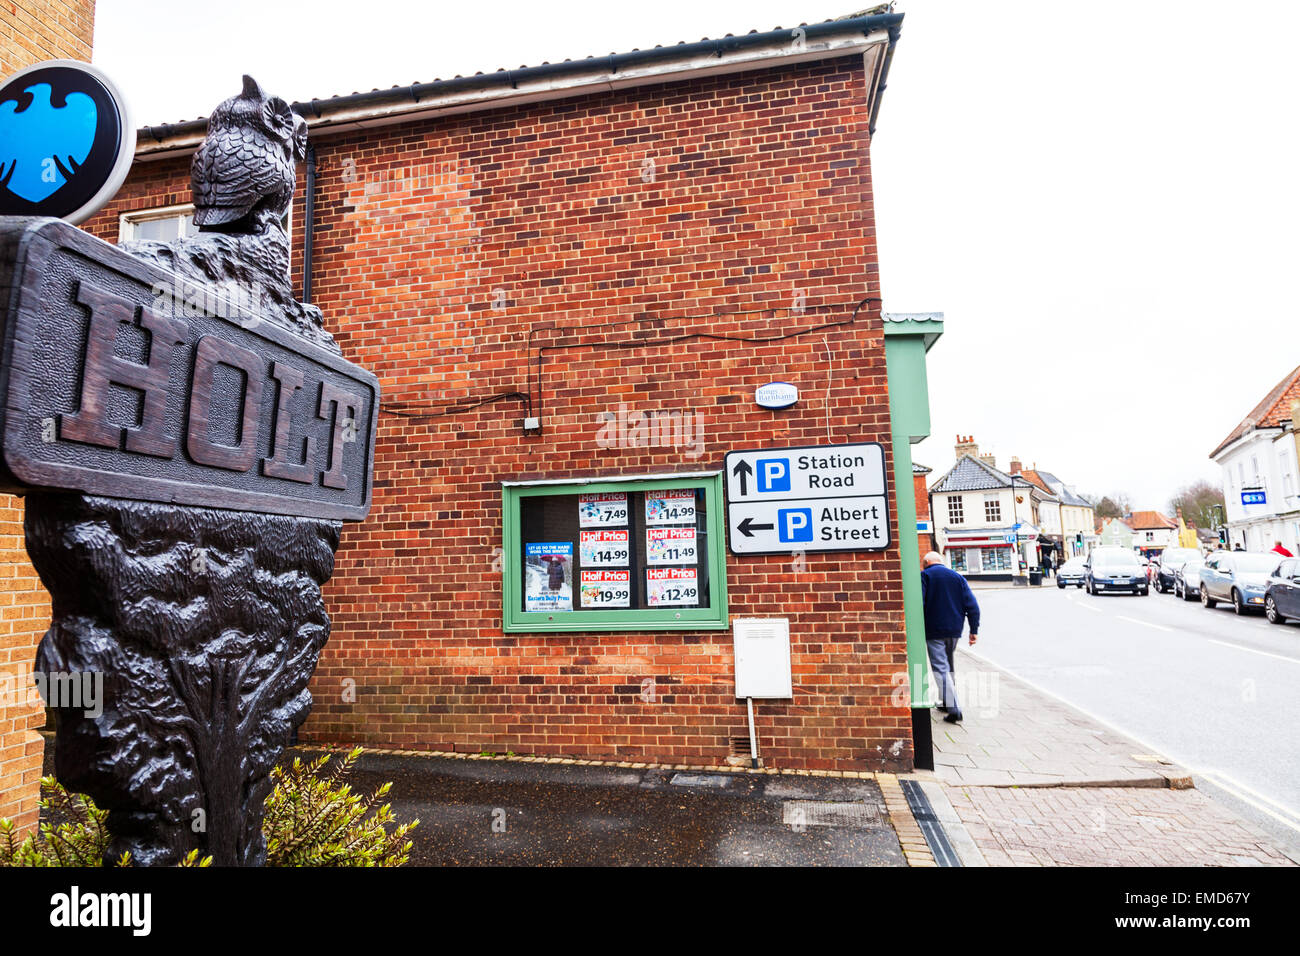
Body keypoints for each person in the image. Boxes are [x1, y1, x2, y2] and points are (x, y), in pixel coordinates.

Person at [921, 552, 980, 724]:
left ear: (926, 562)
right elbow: (973, 606)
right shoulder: (957, 577)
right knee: (948, 666)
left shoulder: (924, 576)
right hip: (954, 630)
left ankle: (954, 709)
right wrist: (973, 630)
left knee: (940, 668)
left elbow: (920, 603)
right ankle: (946, 703)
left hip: (934, 630)